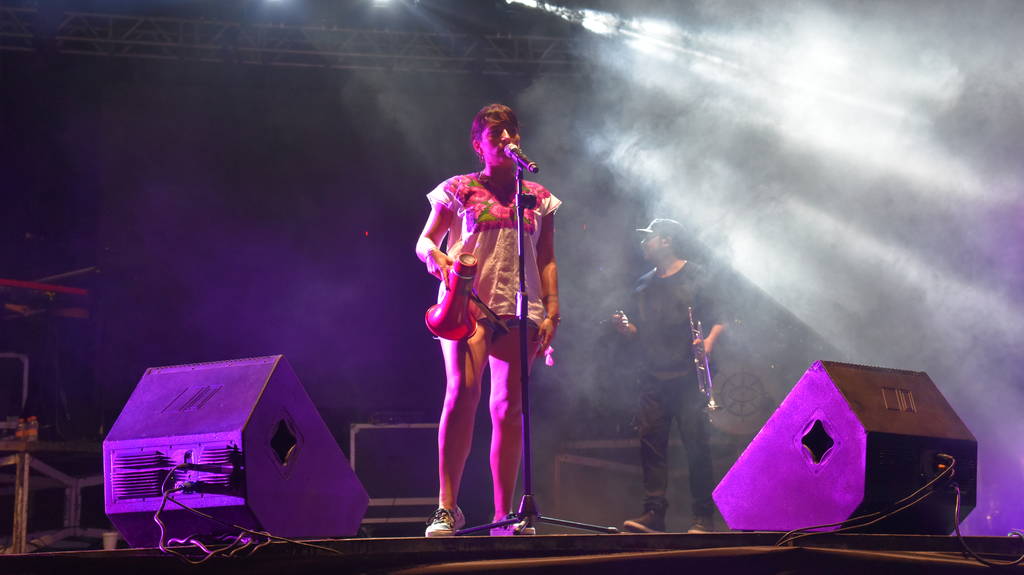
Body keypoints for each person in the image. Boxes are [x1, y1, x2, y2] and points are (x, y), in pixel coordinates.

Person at [415, 103, 561, 537]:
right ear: (478, 144)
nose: (505, 139)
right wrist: (437, 256)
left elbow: (547, 258)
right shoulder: (458, 188)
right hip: (468, 303)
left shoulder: (537, 196)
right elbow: (425, 241)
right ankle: (447, 508)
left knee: (508, 409)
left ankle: (504, 516)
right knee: (462, 392)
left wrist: (553, 307)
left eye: (510, 131)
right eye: (495, 134)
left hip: (521, 308)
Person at [613, 218, 724, 534]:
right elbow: (640, 331)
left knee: (697, 447)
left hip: (688, 378)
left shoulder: (696, 275)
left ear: (667, 241)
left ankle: (703, 517)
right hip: (653, 377)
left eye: (649, 238)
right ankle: (654, 514)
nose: (643, 244)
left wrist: (708, 343)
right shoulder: (643, 284)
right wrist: (626, 328)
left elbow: (720, 318)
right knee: (651, 449)